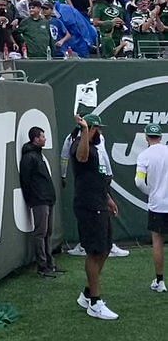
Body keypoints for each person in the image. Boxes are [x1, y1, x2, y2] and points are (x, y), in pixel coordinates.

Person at [70, 113, 120, 320]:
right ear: (88, 129)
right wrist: (83, 130)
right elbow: (81, 157)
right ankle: (95, 303)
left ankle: (87, 294)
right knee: (94, 251)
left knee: (106, 249)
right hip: (88, 207)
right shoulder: (79, 146)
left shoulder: (95, 149)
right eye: (96, 128)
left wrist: (108, 198)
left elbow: (97, 177)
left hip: (100, 203)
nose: (100, 132)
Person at [19, 126, 60, 278]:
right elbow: (26, 180)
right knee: (41, 233)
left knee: (47, 232)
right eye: (42, 136)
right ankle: (42, 266)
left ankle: (51, 263)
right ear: (35, 138)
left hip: (47, 198)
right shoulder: (30, 157)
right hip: (39, 200)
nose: (45, 139)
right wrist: (32, 198)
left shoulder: (37, 155)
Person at [135, 122, 168, 293]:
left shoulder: (144, 156)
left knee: (157, 241)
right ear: (161, 137)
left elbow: (139, 182)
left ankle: (160, 281)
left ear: (146, 137)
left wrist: (152, 192)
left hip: (157, 205)